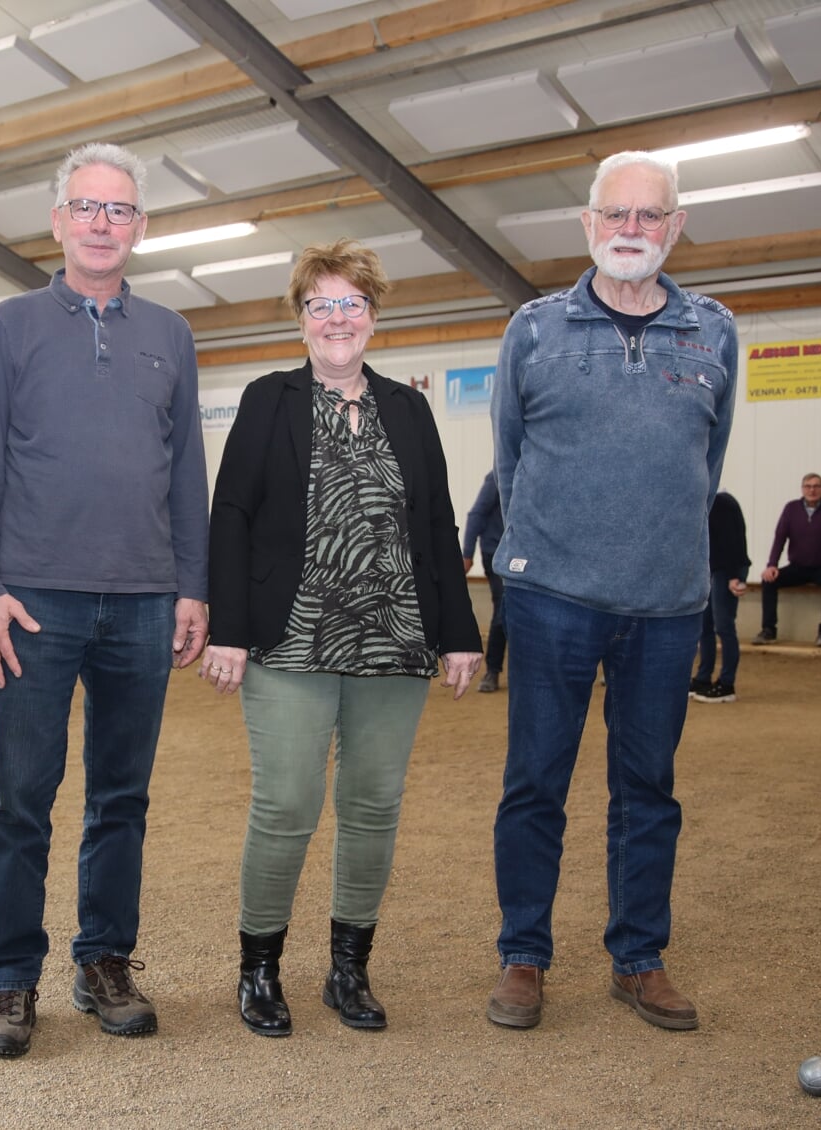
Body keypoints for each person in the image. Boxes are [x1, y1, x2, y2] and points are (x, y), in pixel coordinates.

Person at [0, 141, 209, 1058]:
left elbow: (187, 474)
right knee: (20, 798)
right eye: (87, 207)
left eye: (121, 210)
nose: (103, 223)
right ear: (58, 220)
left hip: (143, 603)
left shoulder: (170, 334)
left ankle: (104, 959)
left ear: (141, 227)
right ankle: (10, 980)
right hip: (33, 606)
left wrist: (192, 587)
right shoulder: (12, 325)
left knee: (122, 795)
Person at [202, 240, 484, 1039]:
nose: (337, 318)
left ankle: (348, 968)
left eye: (351, 303)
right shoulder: (268, 399)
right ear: (300, 319)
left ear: (373, 316)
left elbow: (435, 522)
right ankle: (259, 970)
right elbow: (231, 516)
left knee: (373, 807)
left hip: (396, 641)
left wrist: (457, 632)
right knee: (287, 803)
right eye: (320, 304)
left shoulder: (409, 407)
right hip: (289, 640)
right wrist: (228, 628)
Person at [485, 150, 736, 1034]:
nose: (633, 231)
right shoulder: (536, 328)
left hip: (666, 607)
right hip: (552, 598)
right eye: (616, 216)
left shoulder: (714, 331)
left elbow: (704, 469)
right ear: (589, 225)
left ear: (675, 227)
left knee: (648, 789)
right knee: (535, 785)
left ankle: (639, 959)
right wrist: (547, 555)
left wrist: (660, 551)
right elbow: (509, 462)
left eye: (650, 216)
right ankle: (524, 955)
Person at [753, 473, 821, 647]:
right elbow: (780, 537)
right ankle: (768, 630)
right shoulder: (791, 508)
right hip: (797, 567)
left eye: (816, 486)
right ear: (802, 489)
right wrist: (772, 565)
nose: (812, 490)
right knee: (769, 580)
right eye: (808, 486)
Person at [691, 490, 750, 704]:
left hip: (728, 571)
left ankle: (727, 684)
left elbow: (732, 541)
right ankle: (703, 678)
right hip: (712, 571)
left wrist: (734, 576)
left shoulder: (722, 502)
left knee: (724, 627)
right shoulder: (703, 502)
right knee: (704, 627)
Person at [462, 469, 508, 693]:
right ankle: (492, 671)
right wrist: (467, 553)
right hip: (496, 553)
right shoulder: (497, 476)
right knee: (503, 608)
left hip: (523, 556)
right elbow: (476, 514)